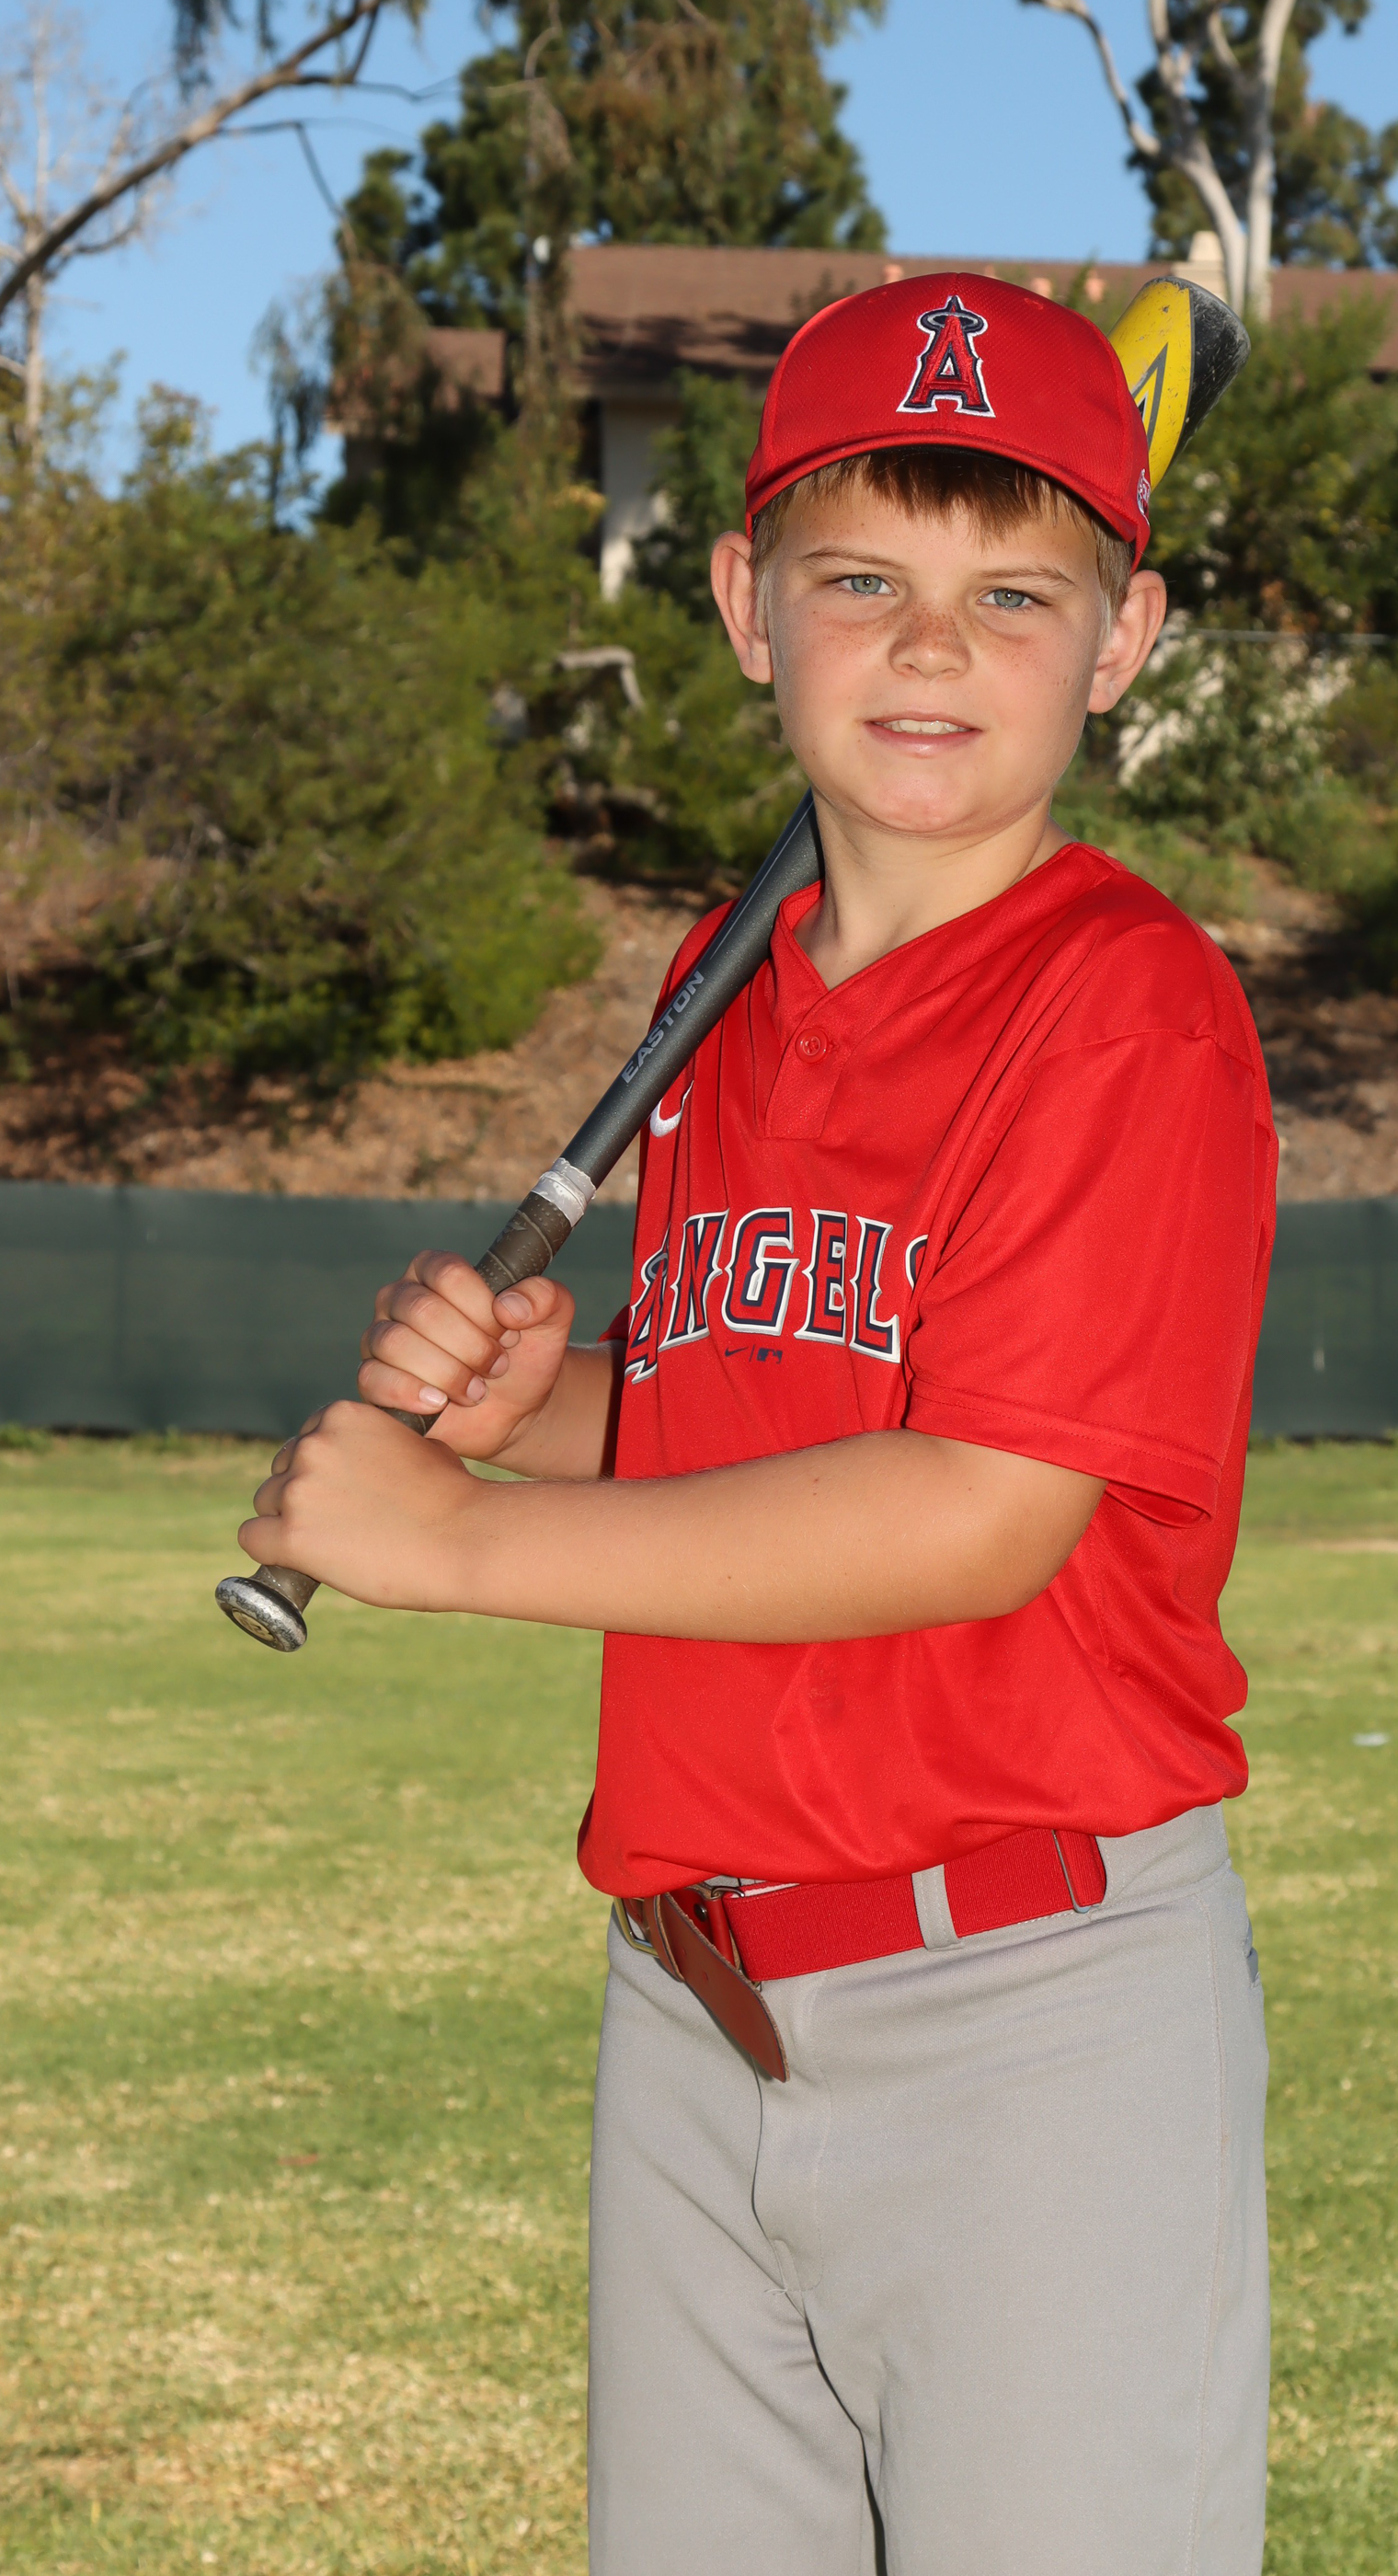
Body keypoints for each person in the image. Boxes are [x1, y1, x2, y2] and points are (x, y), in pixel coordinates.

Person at [239, 272, 1277, 2576]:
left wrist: (456, 1541)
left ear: (1121, 640)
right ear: (743, 606)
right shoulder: (734, 976)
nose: (932, 648)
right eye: (860, 582)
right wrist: (542, 1410)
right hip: (701, 1999)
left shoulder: (1125, 1007)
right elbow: (751, 1419)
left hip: (1025, 2013)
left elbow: (973, 1505)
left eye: (1014, 596)